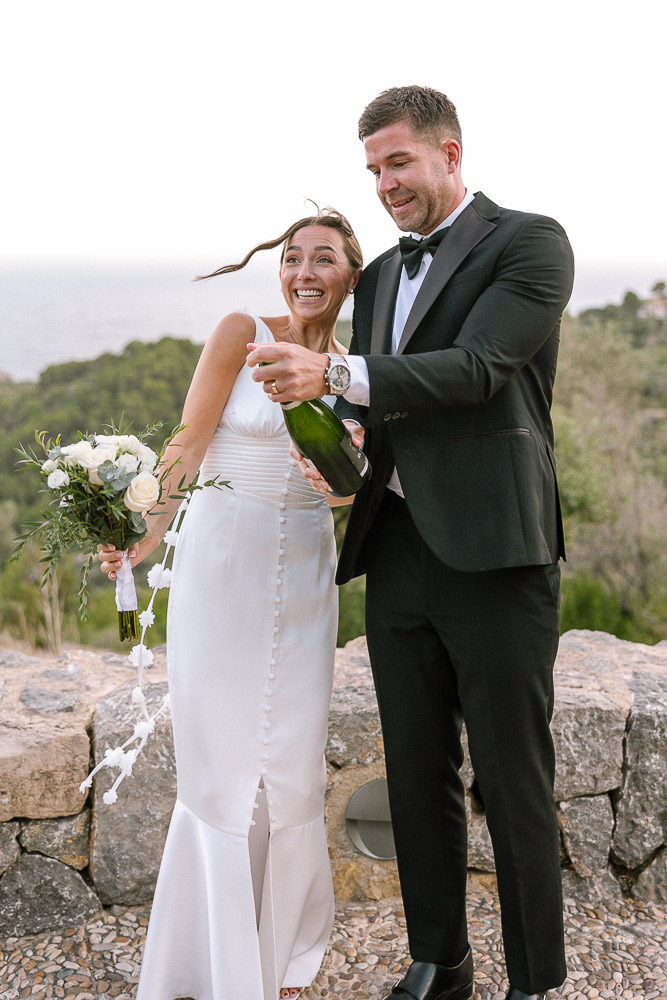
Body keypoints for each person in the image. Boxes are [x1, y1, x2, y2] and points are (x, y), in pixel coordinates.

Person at [248, 87, 575, 1000]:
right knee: (416, 767)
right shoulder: (383, 274)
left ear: (449, 152)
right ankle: (441, 960)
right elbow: (385, 402)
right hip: (394, 551)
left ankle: (534, 982)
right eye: (373, 170)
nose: (385, 184)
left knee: (513, 777)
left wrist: (336, 370)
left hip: (497, 553)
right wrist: (341, 454)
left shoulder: (530, 242)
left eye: (398, 162)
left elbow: (475, 372)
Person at [98, 207, 362, 1000]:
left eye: (323, 259)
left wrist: (341, 489)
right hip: (221, 569)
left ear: (352, 275)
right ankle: (209, 966)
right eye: (292, 257)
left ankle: (279, 957)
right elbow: (185, 443)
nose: (304, 272)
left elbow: (349, 485)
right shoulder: (240, 331)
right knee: (218, 772)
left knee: (291, 769)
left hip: (308, 581)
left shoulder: (354, 368)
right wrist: (143, 534)